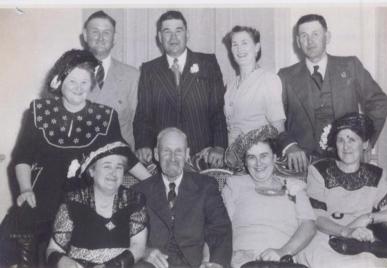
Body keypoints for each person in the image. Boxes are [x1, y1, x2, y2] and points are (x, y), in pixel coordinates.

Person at [12, 49, 149, 267]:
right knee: (15, 231)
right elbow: (22, 156)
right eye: (72, 81)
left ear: (92, 84)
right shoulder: (39, 111)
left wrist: (154, 182)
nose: (78, 88)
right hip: (42, 195)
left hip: (84, 198)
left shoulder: (105, 116)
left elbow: (126, 157)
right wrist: (25, 188)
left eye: (84, 82)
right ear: (59, 81)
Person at [277, 14, 387, 173]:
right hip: (304, 169)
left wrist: (365, 140)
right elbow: (273, 119)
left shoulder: (350, 66)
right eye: (304, 36)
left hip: (347, 163)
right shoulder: (285, 76)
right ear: (298, 42)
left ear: (327, 37)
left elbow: (379, 102)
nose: (310, 41)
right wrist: (289, 146)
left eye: (315, 34)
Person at [301, 112, 387, 267]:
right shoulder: (319, 170)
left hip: (358, 243)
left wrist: (368, 218)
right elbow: (317, 218)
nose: (346, 147)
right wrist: (346, 231)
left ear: (365, 144)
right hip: (324, 239)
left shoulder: (374, 175)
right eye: (340, 140)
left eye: (352, 140)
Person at [133, 10, 227, 168]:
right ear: (159, 37)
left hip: (203, 156)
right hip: (164, 159)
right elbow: (143, 115)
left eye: (179, 30)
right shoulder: (149, 70)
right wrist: (143, 145)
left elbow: (217, 111)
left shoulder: (208, 63)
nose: (173, 37)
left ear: (187, 34)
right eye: (167, 31)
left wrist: (219, 146)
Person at [134, 128, 232, 268]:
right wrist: (144, 251)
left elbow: (220, 230)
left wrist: (214, 263)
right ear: (156, 154)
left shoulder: (206, 186)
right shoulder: (140, 191)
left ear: (187, 154)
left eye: (178, 151)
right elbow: (124, 235)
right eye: (166, 151)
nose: (172, 158)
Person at [222, 125, 316, 268]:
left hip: (283, 262)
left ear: (274, 158)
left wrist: (282, 252)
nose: (258, 164)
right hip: (245, 262)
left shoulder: (294, 186)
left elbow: (309, 226)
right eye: (252, 157)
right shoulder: (234, 185)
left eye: (264, 156)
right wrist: (228, 255)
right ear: (246, 163)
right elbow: (219, 228)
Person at [46, 141, 147, 267]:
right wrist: (64, 262)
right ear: (92, 171)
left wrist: (109, 266)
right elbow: (53, 250)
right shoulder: (72, 201)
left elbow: (139, 248)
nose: (113, 173)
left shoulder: (134, 200)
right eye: (107, 166)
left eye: (119, 167)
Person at [83, 10, 140, 152]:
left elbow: (138, 123)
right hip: (81, 158)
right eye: (95, 32)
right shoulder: (71, 73)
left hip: (121, 161)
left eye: (106, 32)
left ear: (114, 38)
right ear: (85, 35)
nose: (101, 38)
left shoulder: (132, 76)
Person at [223, 26, 285, 145]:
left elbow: (278, 130)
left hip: (257, 156)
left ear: (257, 47)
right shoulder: (230, 86)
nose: (239, 49)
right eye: (235, 44)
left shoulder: (268, 79)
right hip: (231, 157)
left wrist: (246, 141)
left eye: (244, 43)